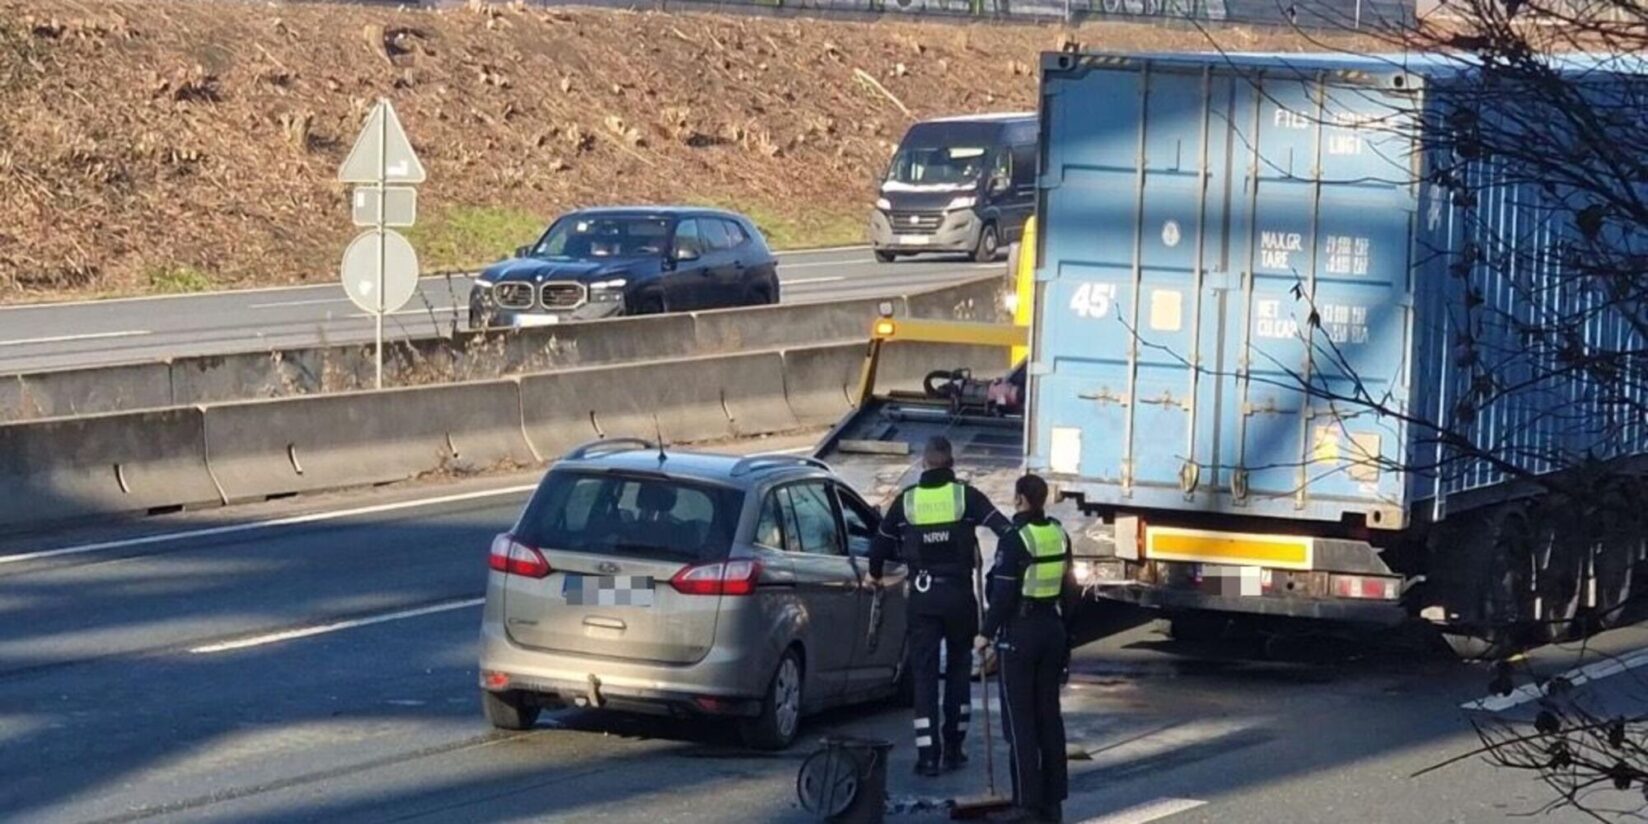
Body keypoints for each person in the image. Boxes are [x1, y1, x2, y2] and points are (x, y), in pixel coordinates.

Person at [869, 436, 1013, 777]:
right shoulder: (966, 496)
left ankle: (927, 754)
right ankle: (953, 747)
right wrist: (995, 570)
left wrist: (875, 575)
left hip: (922, 598)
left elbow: (879, 547)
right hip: (960, 597)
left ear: (924, 464)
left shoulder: (907, 502)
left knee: (924, 674)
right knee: (960, 670)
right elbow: (1005, 530)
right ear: (951, 464)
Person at [977, 473, 1076, 823]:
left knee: (1020, 722)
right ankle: (1053, 800)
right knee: (1049, 717)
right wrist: (1067, 638)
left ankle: (1026, 803)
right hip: (1052, 628)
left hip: (1020, 633)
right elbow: (1070, 590)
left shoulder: (1014, 539)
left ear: (1020, 499)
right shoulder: (1057, 533)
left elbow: (1003, 595)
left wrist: (985, 633)